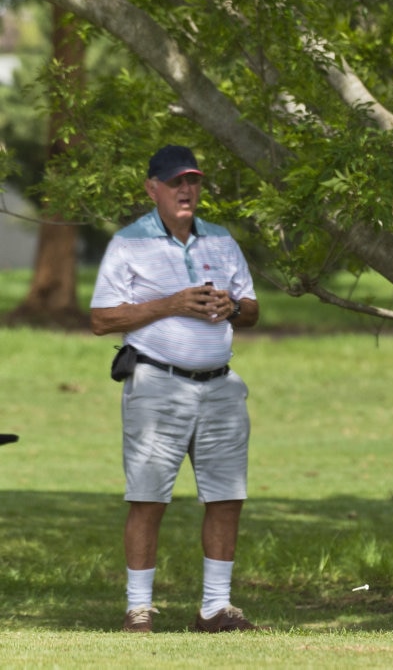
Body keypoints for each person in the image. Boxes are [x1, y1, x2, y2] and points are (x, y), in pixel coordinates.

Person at [90, 145, 263, 634]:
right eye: (175, 182)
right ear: (152, 189)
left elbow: (252, 311)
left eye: (192, 181)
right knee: (149, 498)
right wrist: (171, 304)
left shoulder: (223, 241)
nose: (186, 190)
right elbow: (102, 319)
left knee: (226, 496)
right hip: (156, 384)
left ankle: (215, 608)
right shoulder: (128, 243)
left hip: (221, 387)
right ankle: (139, 609)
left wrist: (229, 307)